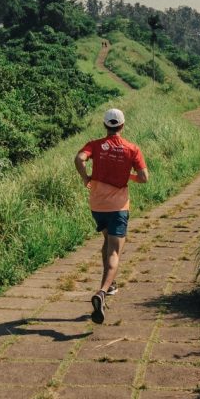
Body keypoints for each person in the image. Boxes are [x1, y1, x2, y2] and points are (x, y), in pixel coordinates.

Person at [75, 108, 148, 324]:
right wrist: (129, 176)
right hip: (118, 206)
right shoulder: (132, 149)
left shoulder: (94, 145)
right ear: (122, 126)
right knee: (115, 251)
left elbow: (79, 159)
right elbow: (144, 177)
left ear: (105, 126)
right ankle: (103, 291)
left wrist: (85, 177)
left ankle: (110, 284)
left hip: (97, 205)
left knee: (107, 242)